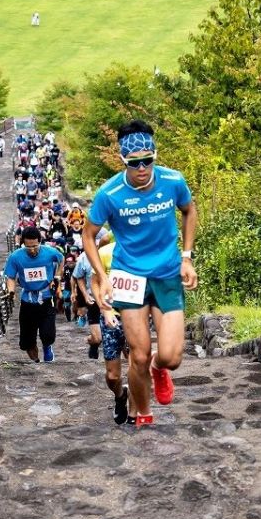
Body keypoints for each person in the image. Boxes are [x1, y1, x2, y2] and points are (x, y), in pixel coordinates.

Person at [82, 119, 198, 428]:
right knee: (139, 354)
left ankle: (160, 371)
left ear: (155, 155)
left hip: (167, 273)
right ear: (123, 160)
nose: (142, 168)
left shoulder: (173, 181)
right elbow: (88, 235)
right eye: (135, 163)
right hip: (128, 276)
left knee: (171, 356)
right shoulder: (110, 193)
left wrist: (187, 257)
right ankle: (143, 415)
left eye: (148, 161)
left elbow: (189, 210)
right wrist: (102, 276)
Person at [4, 227, 64, 363]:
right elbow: (10, 277)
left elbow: (61, 259)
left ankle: (47, 348)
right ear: (23, 244)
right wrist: (11, 292)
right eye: (28, 247)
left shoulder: (50, 252)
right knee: (27, 342)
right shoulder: (15, 257)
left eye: (35, 246)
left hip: (46, 298)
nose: (32, 250)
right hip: (27, 301)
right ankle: (36, 362)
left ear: (40, 242)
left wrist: (57, 277)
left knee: (48, 333)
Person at [90, 241, 132, 424]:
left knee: (137, 368)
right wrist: (104, 309)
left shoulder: (144, 249)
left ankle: (136, 413)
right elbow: (95, 281)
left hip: (136, 317)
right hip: (111, 318)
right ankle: (120, 396)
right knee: (112, 375)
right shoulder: (105, 252)